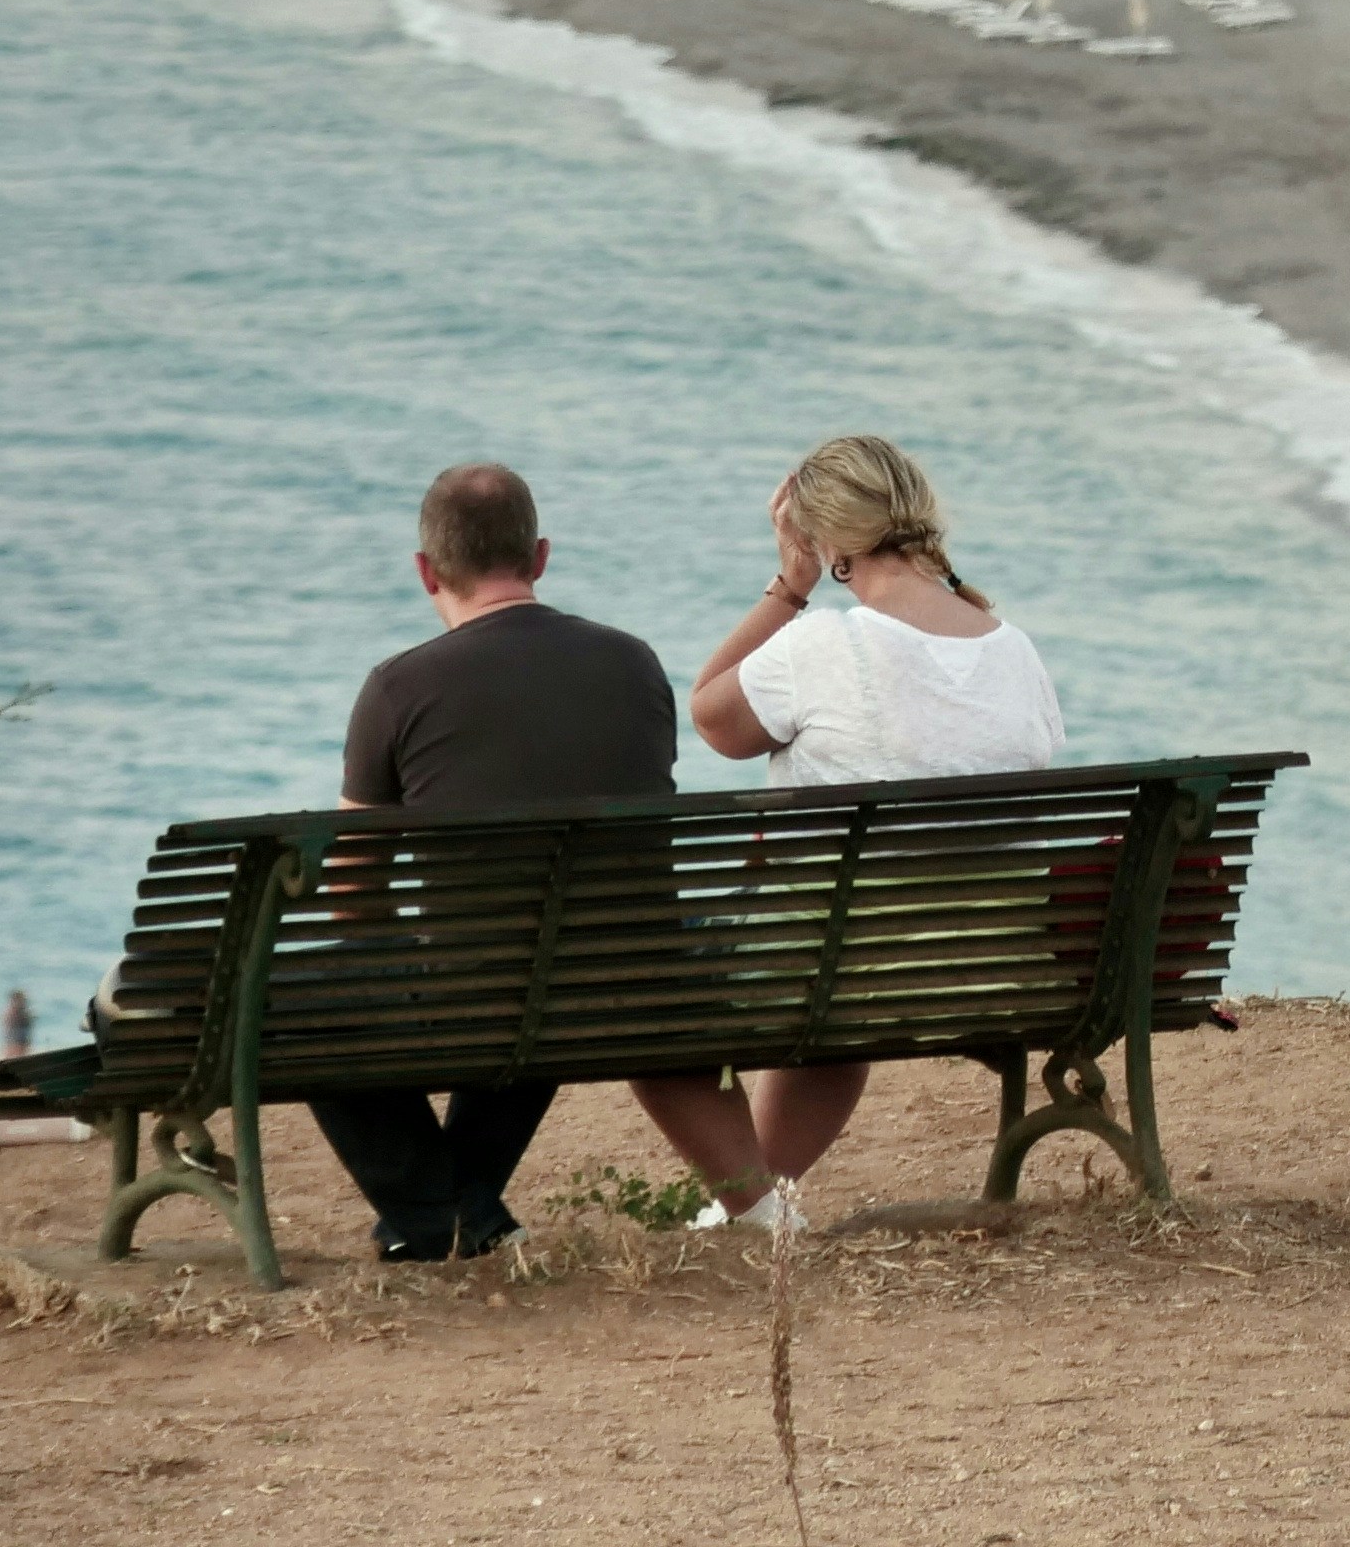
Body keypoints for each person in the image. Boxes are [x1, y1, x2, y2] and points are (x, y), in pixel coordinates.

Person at [630, 434, 1061, 1236]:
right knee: (842, 981)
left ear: (826, 538)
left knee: (645, 981)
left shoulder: (828, 640)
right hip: (987, 960)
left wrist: (788, 587)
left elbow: (713, 717)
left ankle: (752, 1206)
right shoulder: (1014, 649)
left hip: (842, 957)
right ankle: (751, 1215)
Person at [311, 463, 676, 1261]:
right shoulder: (636, 663)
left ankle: (448, 1218)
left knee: (311, 1001)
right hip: (634, 982)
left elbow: (351, 897)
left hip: (493, 989)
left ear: (424, 571)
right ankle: (453, 1208)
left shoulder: (398, 688)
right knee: (534, 954)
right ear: (539, 556)